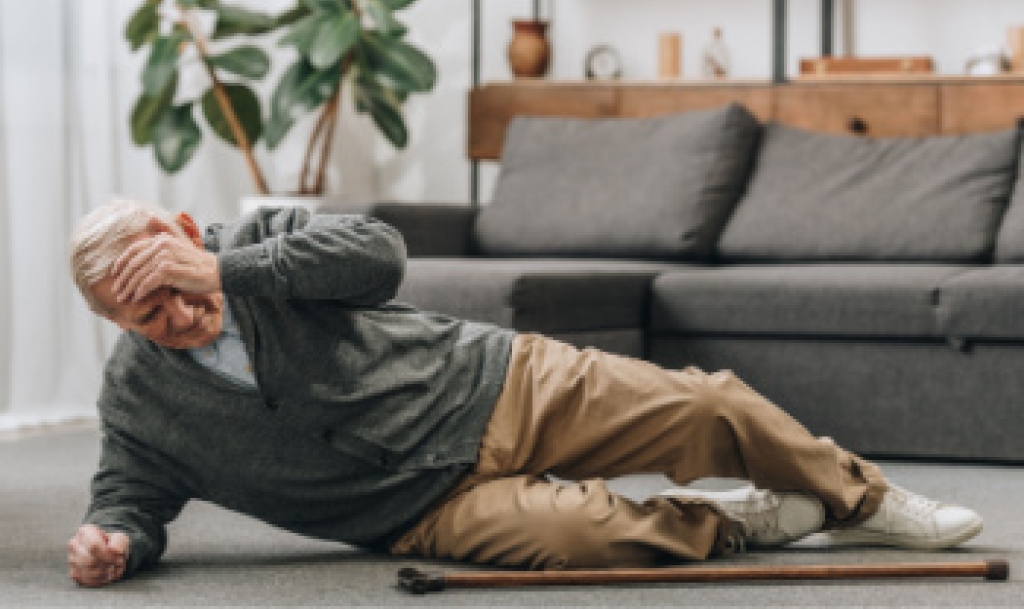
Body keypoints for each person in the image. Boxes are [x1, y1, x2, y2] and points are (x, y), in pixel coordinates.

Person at [65, 198, 983, 588]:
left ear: (187, 230)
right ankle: (738, 522)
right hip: (420, 511)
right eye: (148, 311)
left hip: (497, 382)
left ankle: (863, 499)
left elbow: (378, 256)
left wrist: (225, 267)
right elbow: (129, 491)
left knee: (707, 407)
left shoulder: (260, 238)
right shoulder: (139, 401)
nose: (180, 312)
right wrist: (116, 539)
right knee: (592, 539)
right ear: (115, 322)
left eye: (177, 281)